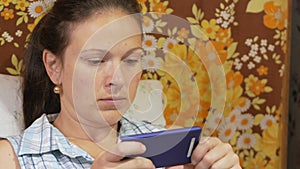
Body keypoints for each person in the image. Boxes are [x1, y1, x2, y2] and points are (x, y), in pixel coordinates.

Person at [0, 0, 241, 168]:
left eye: (131, 60)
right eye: (96, 60)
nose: (116, 79)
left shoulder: (167, 146)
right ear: (54, 67)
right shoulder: (12, 158)